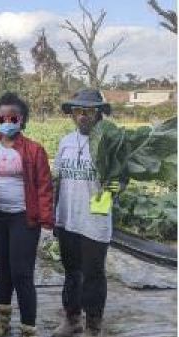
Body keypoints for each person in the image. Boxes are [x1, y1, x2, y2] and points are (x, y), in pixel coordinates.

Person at [0, 92, 54, 337]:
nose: (7, 122)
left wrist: (47, 224)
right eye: (1, 118)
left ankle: (28, 327)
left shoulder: (34, 150)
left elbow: (45, 188)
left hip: (23, 217)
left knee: (22, 272)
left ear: (22, 120)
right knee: (3, 268)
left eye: (13, 118)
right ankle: (2, 321)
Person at [51, 89, 116, 337]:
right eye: (78, 111)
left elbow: (119, 181)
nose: (82, 116)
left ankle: (93, 326)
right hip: (68, 217)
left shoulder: (109, 143)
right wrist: (55, 215)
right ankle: (72, 319)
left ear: (99, 114)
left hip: (95, 219)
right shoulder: (66, 141)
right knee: (71, 273)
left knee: (93, 275)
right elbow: (58, 179)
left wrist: (113, 189)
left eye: (89, 111)